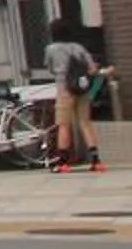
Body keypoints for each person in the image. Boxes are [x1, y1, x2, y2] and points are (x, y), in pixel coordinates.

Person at [45, 16, 105, 173]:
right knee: (85, 122)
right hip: (81, 88)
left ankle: (63, 162)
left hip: (64, 89)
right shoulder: (78, 47)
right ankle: (96, 161)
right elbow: (92, 68)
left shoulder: (51, 49)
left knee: (64, 125)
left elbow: (50, 69)